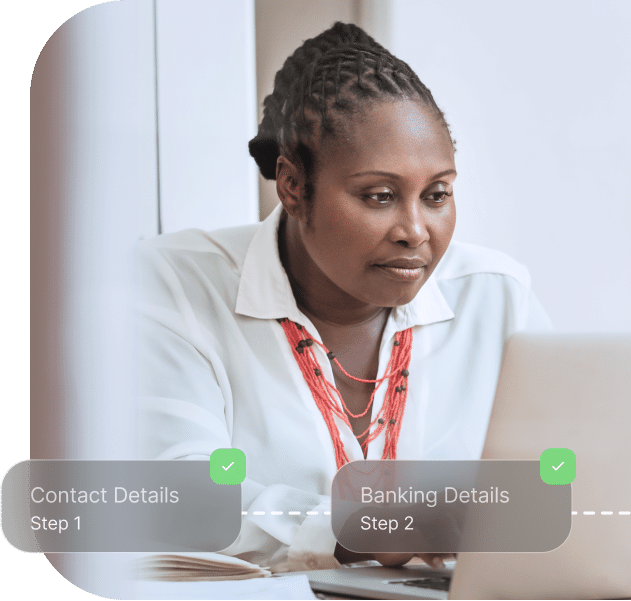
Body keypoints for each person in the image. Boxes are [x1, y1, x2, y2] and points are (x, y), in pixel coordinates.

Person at [133, 22, 550, 572]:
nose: (416, 230)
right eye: (379, 196)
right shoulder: (175, 285)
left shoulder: (496, 297)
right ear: (292, 186)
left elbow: (568, 479)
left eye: (437, 194)